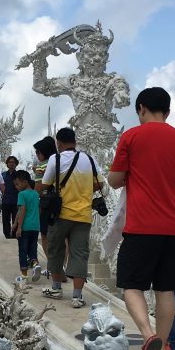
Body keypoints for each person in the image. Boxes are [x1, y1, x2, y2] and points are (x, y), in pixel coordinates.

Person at [107, 86, 175, 350]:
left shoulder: (131, 136)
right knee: (166, 289)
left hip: (142, 225)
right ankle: (163, 347)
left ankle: (148, 337)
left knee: (131, 285)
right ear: (167, 112)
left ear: (141, 109)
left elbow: (114, 179)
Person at [38, 127, 101, 309]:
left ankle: (57, 288)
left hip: (60, 213)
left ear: (59, 143)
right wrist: (84, 193)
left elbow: (45, 184)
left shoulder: (55, 159)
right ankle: (77, 296)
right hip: (83, 215)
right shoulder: (89, 159)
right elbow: (99, 184)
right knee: (80, 253)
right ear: (75, 141)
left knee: (56, 249)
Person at [32, 136, 57, 266]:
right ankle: (63, 263)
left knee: (45, 234)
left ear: (44, 152)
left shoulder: (41, 166)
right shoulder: (60, 162)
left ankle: (52, 263)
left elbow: (38, 189)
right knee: (62, 236)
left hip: (46, 204)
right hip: (62, 202)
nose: (37, 155)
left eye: (38, 152)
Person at [13, 170, 41, 280]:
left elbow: (22, 210)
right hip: (35, 227)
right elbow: (38, 210)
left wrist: (19, 227)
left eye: (17, 184)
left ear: (25, 182)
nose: (16, 187)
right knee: (32, 249)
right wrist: (15, 222)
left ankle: (24, 276)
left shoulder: (22, 194)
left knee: (23, 250)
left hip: (25, 227)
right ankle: (35, 264)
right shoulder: (35, 194)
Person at [0, 156, 20, 239]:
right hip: (5, 200)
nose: (11, 164)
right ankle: (7, 235)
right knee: (5, 220)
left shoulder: (19, 175)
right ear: (7, 164)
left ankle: (14, 235)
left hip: (16, 201)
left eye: (13, 162)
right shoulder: (3, 175)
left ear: (16, 164)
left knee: (15, 219)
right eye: (10, 162)